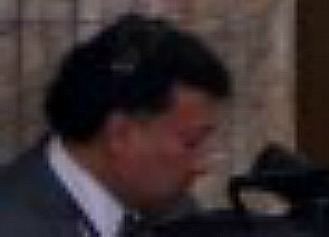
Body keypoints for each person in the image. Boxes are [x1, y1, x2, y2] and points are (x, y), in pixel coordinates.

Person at [10, 18, 227, 236]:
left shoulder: (169, 209)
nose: (202, 165)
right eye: (191, 142)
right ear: (120, 135)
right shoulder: (17, 224)